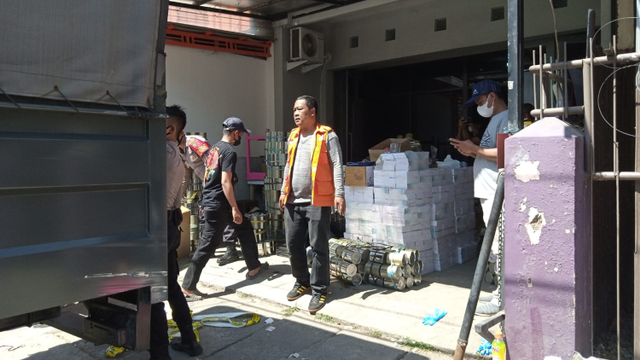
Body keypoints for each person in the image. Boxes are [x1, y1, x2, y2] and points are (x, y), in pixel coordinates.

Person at [182, 117, 269, 300]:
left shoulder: (214, 148)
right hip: (219, 204)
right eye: (242, 134)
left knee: (244, 227)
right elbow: (225, 182)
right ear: (236, 132)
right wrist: (235, 208)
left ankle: (254, 267)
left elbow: (206, 177)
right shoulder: (229, 152)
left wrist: (205, 200)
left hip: (214, 202)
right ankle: (188, 288)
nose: (242, 138)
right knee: (207, 245)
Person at [279, 95, 345, 315]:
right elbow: (289, 165)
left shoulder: (327, 135)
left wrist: (340, 194)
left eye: (300, 109)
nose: (296, 113)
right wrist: (282, 191)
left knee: (318, 247)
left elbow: (337, 165)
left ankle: (319, 289)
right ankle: (302, 281)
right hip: (292, 200)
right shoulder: (293, 135)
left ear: (312, 112)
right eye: (294, 110)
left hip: (317, 200)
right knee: (293, 244)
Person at [449, 80, 508, 316]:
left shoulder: (506, 119)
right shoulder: (495, 121)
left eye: (481, 101)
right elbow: (488, 153)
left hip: (496, 190)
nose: (479, 106)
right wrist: (471, 149)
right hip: (488, 191)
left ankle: (502, 298)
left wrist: (474, 150)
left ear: (492, 96)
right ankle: (499, 292)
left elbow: (505, 154)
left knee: (500, 246)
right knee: (495, 245)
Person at [150, 105, 202, 360]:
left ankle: (160, 355)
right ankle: (190, 341)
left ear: (169, 128)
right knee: (171, 288)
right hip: (170, 227)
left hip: (157, 228)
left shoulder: (161, 152)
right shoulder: (179, 155)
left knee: (153, 294)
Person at [184, 134, 250, 267]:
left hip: (220, 184)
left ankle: (231, 249)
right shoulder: (179, 150)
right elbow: (185, 176)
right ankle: (208, 250)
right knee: (205, 215)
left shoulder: (193, 142)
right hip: (209, 186)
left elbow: (212, 162)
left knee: (225, 214)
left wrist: (212, 187)